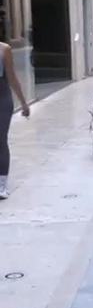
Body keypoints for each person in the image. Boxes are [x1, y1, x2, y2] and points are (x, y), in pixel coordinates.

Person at [0, 42, 30, 199]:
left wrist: (24, 103)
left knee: (0, 139)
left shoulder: (4, 49)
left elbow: (12, 78)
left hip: (2, 100)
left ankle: (1, 184)